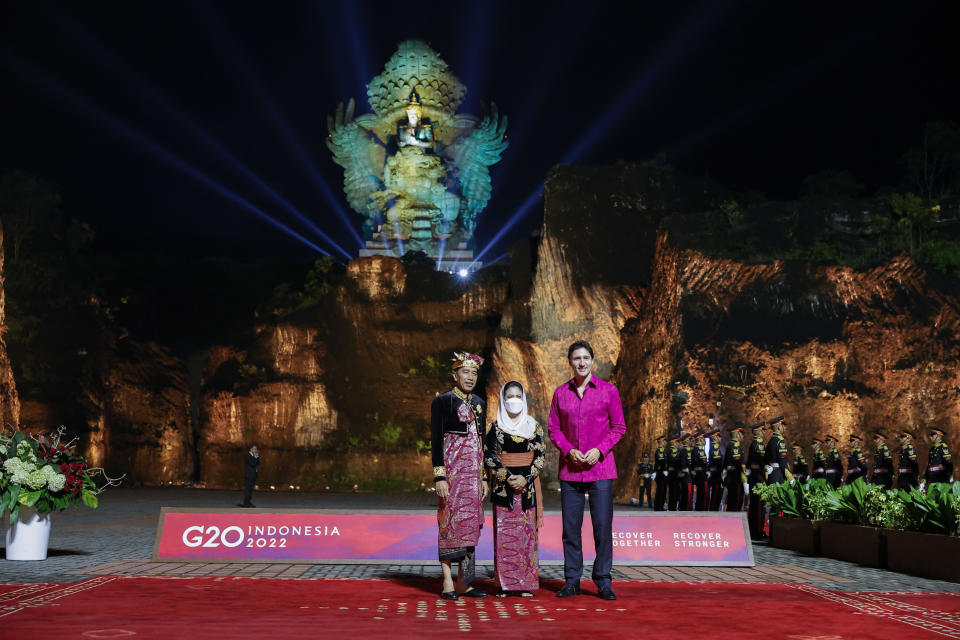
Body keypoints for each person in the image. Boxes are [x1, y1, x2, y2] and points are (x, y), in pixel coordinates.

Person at [548, 340, 626, 601]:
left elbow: (619, 428)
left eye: (585, 358)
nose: (581, 362)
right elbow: (553, 429)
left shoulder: (608, 391)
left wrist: (599, 451)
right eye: (576, 358)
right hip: (570, 471)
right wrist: (568, 449)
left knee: (602, 527)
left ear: (593, 360)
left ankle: (603, 581)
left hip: (601, 469)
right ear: (570, 362)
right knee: (571, 529)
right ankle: (572, 580)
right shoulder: (560, 393)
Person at [432, 351, 489, 600]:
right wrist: (439, 477)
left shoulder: (479, 402)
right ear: (454, 375)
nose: (470, 377)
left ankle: (464, 582)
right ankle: (446, 580)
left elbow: (483, 441)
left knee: (469, 524)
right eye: (465, 372)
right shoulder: (442, 402)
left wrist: (485, 476)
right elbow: (436, 441)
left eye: (474, 373)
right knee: (448, 523)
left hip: (473, 476)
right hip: (452, 474)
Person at [484, 381, 545, 597]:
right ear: (502, 399)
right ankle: (506, 585)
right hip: (504, 491)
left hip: (527, 491)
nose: (514, 400)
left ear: (524, 399)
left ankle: (525, 584)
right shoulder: (496, 428)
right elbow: (489, 456)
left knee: (527, 537)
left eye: (518, 396)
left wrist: (525, 478)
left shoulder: (534, 427)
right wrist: (508, 477)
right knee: (505, 536)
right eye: (509, 396)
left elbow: (539, 458)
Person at [746, 422, 766, 540]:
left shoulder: (754, 444)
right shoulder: (758, 444)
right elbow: (759, 462)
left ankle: (754, 531)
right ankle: (758, 531)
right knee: (759, 506)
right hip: (758, 477)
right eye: (763, 430)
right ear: (758, 432)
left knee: (754, 505)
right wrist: (765, 474)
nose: (764, 432)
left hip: (754, 477)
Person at [722, 425, 747, 512]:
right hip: (734, 480)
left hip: (737, 479)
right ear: (737, 434)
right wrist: (740, 468)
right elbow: (728, 465)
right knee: (734, 504)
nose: (743, 436)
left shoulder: (737, 446)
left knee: (737, 503)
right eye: (741, 434)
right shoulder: (731, 447)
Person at [765, 417, 793, 485]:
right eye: (783, 425)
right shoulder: (780, 441)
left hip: (772, 475)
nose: (785, 427)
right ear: (779, 427)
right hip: (779, 475)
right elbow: (782, 462)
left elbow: (765, 459)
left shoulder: (771, 441)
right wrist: (790, 477)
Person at [707, 429, 724, 510]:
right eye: (718, 437)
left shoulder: (716, 449)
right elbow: (716, 464)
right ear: (714, 438)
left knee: (717, 498)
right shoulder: (714, 449)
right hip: (716, 477)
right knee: (715, 499)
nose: (720, 439)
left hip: (717, 477)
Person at [692, 432, 709, 511]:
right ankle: (700, 509)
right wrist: (702, 469)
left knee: (704, 493)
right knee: (702, 493)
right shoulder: (696, 450)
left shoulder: (701, 450)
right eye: (702, 439)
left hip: (703, 475)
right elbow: (695, 464)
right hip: (700, 476)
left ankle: (703, 509)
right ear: (699, 440)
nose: (704, 440)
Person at [677, 433, 694, 511]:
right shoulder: (684, 451)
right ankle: (686, 509)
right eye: (690, 440)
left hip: (688, 476)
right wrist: (690, 471)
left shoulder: (688, 451)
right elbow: (683, 465)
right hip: (685, 476)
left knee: (689, 494)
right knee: (687, 494)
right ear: (687, 441)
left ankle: (687, 508)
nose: (691, 441)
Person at [653, 435, 668, 511]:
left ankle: (660, 506)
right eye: (664, 441)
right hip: (661, 474)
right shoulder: (659, 451)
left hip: (662, 474)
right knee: (661, 491)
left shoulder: (663, 451)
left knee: (663, 490)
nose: (665, 442)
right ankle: (658, 507)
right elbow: (661, 463)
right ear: (661, 442)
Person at [666, 435, 681, 511]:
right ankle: (671, 507)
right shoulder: (670, 452)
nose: (678, 444)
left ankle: (674, 506)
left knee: (676, 492)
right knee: (673, 492)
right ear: (673, 443)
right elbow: (672, 462)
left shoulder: (677, 451)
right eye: (677, 442)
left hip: (676, 475)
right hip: (672, 475)